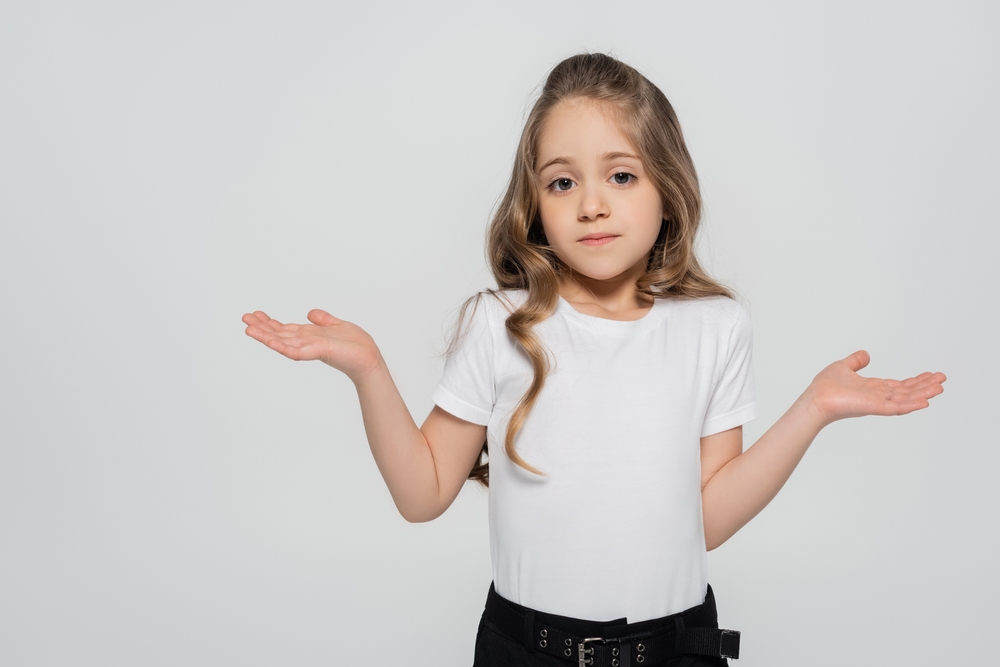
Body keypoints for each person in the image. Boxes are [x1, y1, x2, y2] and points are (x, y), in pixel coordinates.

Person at [241, 53, 946, 666]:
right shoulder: (501, 323)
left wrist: (814, 407)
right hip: (525, 649)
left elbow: (706, 519)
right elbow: (421, 495)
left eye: (621, 175)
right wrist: (369, 367)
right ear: (536, 205)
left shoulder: (715, 326)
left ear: (666, 189)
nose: (592, 206)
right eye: (562, 182)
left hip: (678, 647)